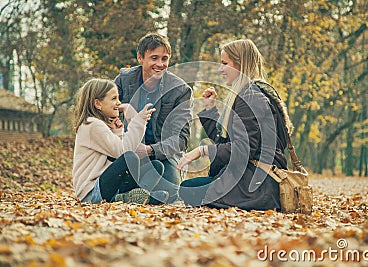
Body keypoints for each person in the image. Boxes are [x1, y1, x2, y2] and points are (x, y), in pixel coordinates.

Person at [177, 39, 294, 211]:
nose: (220, 69)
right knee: (191, 187)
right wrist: (210, 110)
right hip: (259, 183)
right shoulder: (254, 93)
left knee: (189, 189)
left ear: (240, 65)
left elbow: (243, 149)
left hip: (255, 188)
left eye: (225, 63)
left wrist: (202, 150)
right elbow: (227, 142)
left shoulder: (250, 98)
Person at [114, 33, 193, 203]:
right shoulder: (124, 80)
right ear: (140, 58)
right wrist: (121, 110)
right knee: (116, 180)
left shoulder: (180, 90)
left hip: (162, 155)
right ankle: (130, 194)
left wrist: (149, 150)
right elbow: (101, 108)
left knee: (171, 193)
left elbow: (181, 138)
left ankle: (136, 195)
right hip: (127, 150)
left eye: (165, 59)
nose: (160, 64)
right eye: (154, 58)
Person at [72, 78, 170, 204]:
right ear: (98, 104)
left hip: (107, 187)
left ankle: (130, 197)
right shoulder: (92, 125)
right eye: (113, 99)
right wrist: (138, 122)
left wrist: (118, 131)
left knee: (156, 166)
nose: (119, 103)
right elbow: (123, 152)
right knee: (130, 157)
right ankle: (141, 197)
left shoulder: (99, 125)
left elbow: (114, 153)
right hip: (92, 192)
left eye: (118, 98)